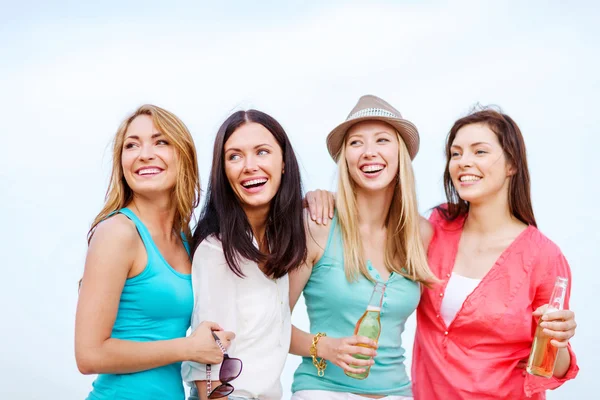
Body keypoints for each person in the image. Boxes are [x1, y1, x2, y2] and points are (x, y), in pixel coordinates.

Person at [306, 106, 579, 399]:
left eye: (480, 151)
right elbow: (376, 214)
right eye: (456, 153)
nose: (464, 162)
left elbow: (552, 368)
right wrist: (325, 197)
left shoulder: (544, 257)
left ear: (512, 164)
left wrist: (558, 342)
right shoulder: (435, 230)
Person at [75, 104, 233, 400]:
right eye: (131, 145)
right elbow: (89, 355)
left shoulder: (186, 238)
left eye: (160, 142)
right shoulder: (118, 233)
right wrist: (187, 348)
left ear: (183, 155)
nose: (144, 153)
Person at [290, 95, 437, 400]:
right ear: (345, 158)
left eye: (382, 140)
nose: (369, 152)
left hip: (398, 393)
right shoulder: (318, 224)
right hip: (323, 392)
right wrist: (324, 346)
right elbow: (268, 323)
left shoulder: (421, 234)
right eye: (356, 143)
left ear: (400, 153)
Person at [182, 110, 307, 400]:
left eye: (262, 152)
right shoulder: (217, 250)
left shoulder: (281, 240)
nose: (249, 166)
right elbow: (208, 365)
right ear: (223, 173)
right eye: (234, 156)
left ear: (284, 162)